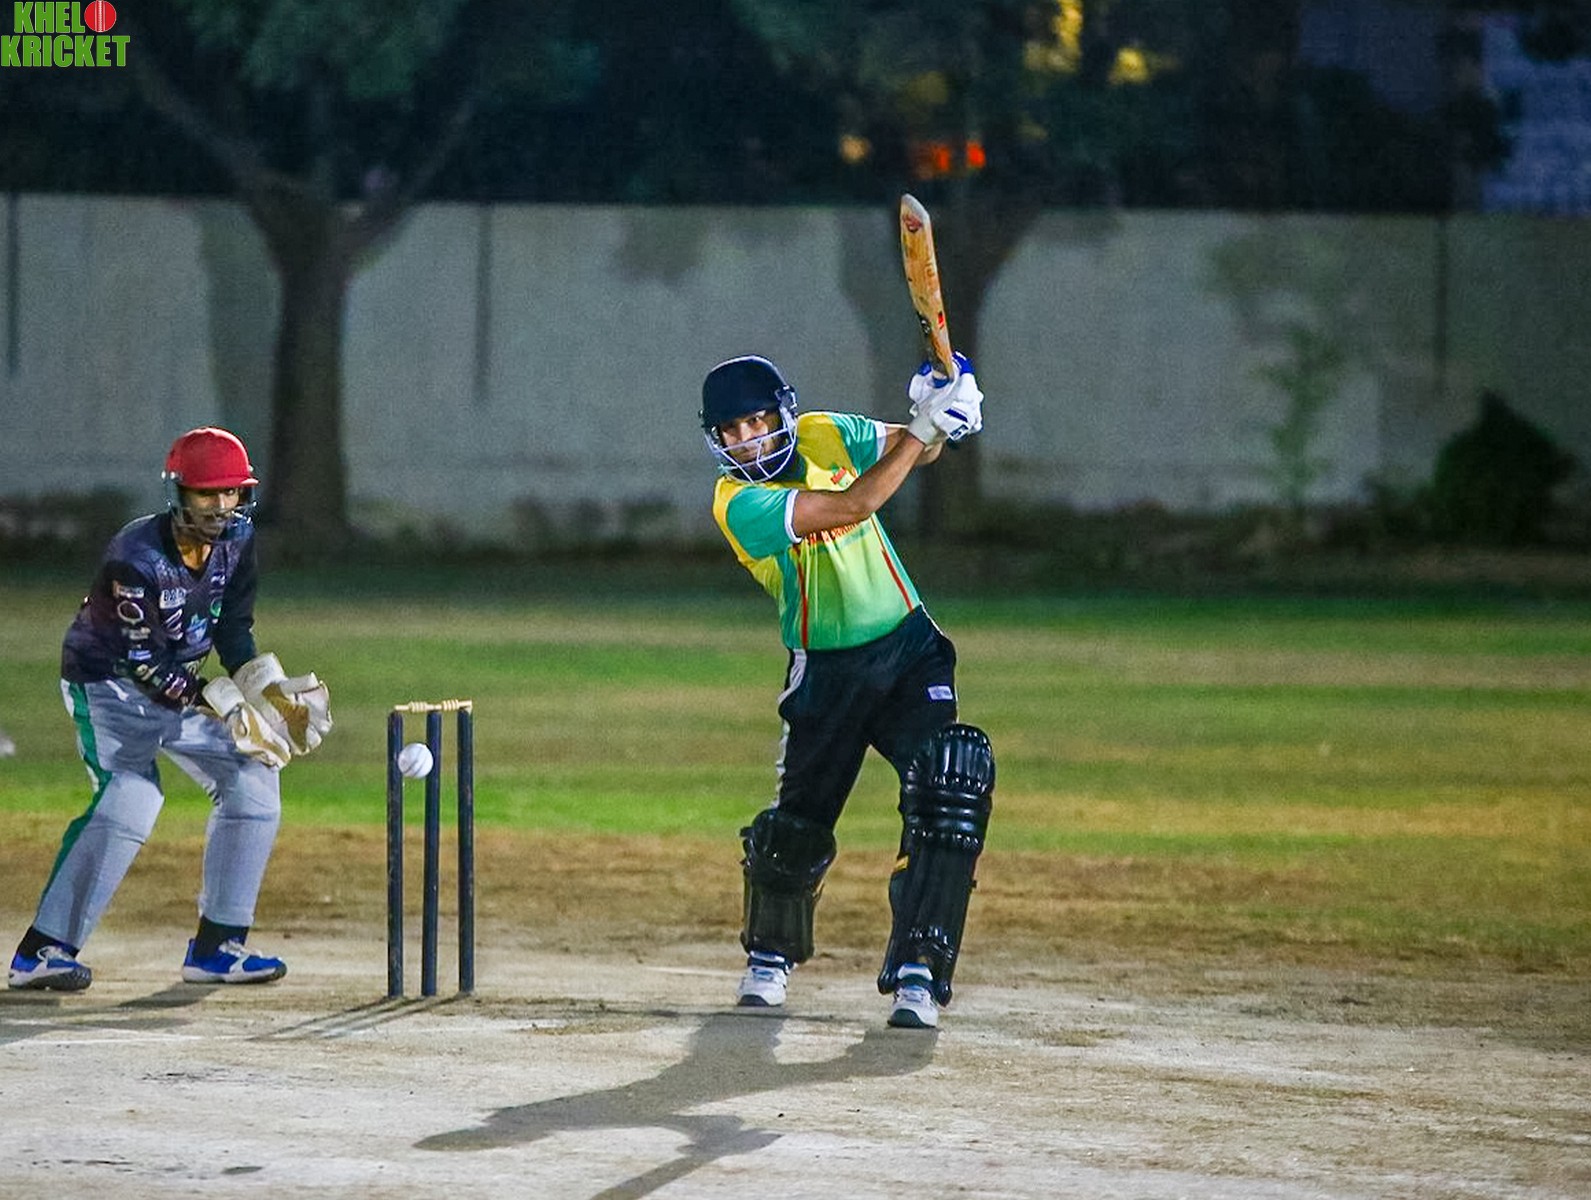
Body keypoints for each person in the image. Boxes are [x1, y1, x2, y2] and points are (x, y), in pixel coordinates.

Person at [700, 352, 996, 1030]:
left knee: (949, 789)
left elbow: (915, 452)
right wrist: (923, 428)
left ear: (782, 413)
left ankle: (920, 969)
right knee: (796, 827)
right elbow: (856, 503)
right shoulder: (737, 503)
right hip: (826, 667)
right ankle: (770, 956)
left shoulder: (824, 432)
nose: (747, 440)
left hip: (909, 650)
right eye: (731, 432)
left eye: (756, 422)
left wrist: (944, 414)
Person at [7, 427, 332, 992]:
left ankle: (217, 947)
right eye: (207, 493)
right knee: (131, 798)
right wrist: (217, 700)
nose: (221, 506)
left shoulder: (238, 539)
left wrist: (263, 686)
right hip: (109, 685)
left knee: (255, 778)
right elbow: (143, 663)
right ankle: (42, 952)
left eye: (231, 491)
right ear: (178, 493)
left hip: (180, 681)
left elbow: (232, 627)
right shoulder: (134, 557)